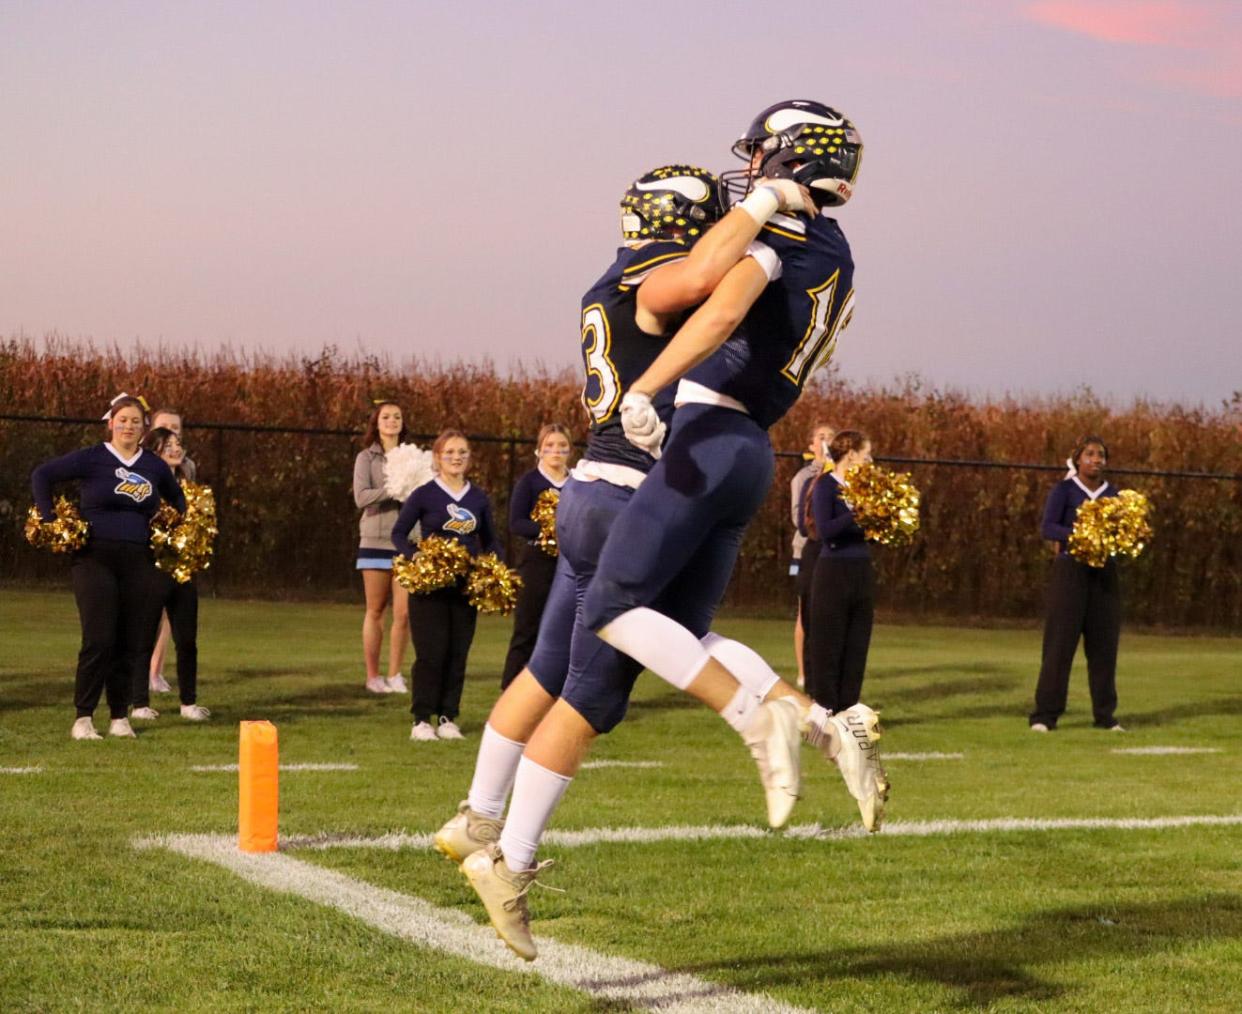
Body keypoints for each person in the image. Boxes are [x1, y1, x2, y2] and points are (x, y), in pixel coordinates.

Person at [458, 105, 886, 961]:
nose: (750, 173)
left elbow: (713, 302)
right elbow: (701, 292)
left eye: (764, 157)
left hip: (646, 469)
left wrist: (653, 382)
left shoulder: (695, 262)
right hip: (690, 466)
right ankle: (804, 720)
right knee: (627, 658)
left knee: (588, 652)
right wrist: (763, 210)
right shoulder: (805, 253)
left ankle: (497, 832)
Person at [31, 393, 185, 740]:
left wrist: (168, 525)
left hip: (138, 560)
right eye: (123, 419)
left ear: (145, 428)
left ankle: (119, 717)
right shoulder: (93, 458)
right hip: (93, 558)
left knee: (129, 639)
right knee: (99, 637)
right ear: (111, 423)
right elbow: (42, 475)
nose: (128, 426)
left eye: (135, 421)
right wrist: (48, 517)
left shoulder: (153, 466)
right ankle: (83, 718)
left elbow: (178, 499)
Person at [391, 430, 497, 741]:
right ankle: (421, 720)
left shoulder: (477, 497)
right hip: (429, 589)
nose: (456, 457)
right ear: (438, 457)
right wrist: (420, 559)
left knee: (457, 653)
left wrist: (491, 569)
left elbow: (491, 540)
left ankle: (448, 717)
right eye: (450, 452)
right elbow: (399, 534)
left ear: (469, 457)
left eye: (462, 451)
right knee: (430, 653)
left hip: (465, 587)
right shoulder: (425, 494)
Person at [1029, 435, 1125, 733]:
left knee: (1104, 647)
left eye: (1101, 455)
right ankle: (1045, 715)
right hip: (1070, 572)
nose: (1096, 459)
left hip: (1105, 575)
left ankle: (1105, 716)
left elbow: (1123, 531)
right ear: (1078, 459)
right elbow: (1048, 527)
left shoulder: (1114, 494)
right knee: (1059, 645)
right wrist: (1082, 536)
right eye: (1090, 454)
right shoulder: (1065, 490)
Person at [130, 426, 211, 722]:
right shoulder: (144, 484)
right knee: (145, 636)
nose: (175, 449)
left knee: (187, 639)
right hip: (152, 569)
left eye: (178, 444)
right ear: (154, 451)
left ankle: (188, 703)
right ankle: (139, 703)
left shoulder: (189, 485)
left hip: (183, 570)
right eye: (168, 445)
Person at [804, 430, 876, 715]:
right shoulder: (826, 486)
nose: (869, 460)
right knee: (828, 643)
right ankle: (824, 711)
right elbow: (826, 530)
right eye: (866, 454)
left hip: (861, 570)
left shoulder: (866, 487)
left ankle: (849, 711)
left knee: (857, 643)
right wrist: (857, 513)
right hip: (833, 571)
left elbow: (867, 533)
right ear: (851, 455)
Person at [499, 423, 572, 690]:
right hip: (537, 561)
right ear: (539, 451)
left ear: (570, 451)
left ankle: (557, 695)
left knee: (564, 631)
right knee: (527, 630)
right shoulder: (530, 482)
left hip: (570, 563)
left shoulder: (577, 482)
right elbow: (516, 522)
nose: (556, 451)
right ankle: (510, 691)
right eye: (550, 446)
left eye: (562, 446)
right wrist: (549, 529)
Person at [353, 400, 413, 695]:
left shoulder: (413, 457)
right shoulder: (366, 458)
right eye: (386, 417)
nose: (392, 421)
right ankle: (373, 675)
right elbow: (361, 497)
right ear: (376, 423)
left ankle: (395, 674)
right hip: (375, 540)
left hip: (407, 542)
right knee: (375, 610)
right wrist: (395, 488)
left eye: (397, 416)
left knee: (403, 613)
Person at [146, 406, 196, 694]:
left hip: (177, 551)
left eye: (176, 429)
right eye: (165, 428)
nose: (171, 435)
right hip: (149, 549)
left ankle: (155, 670)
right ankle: (140, 673)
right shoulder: (144, 467)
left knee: (170, 614)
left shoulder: (187, 468)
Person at [790, 422, 834, 687]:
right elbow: (799, 520)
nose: (826, 440)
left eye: (831, 436)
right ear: (812, 445)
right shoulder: (803, 477)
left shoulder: (841, 475)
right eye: (821, 437)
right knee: (803, 611)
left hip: (830, 553)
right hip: (804, 551)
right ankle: (803, 671)